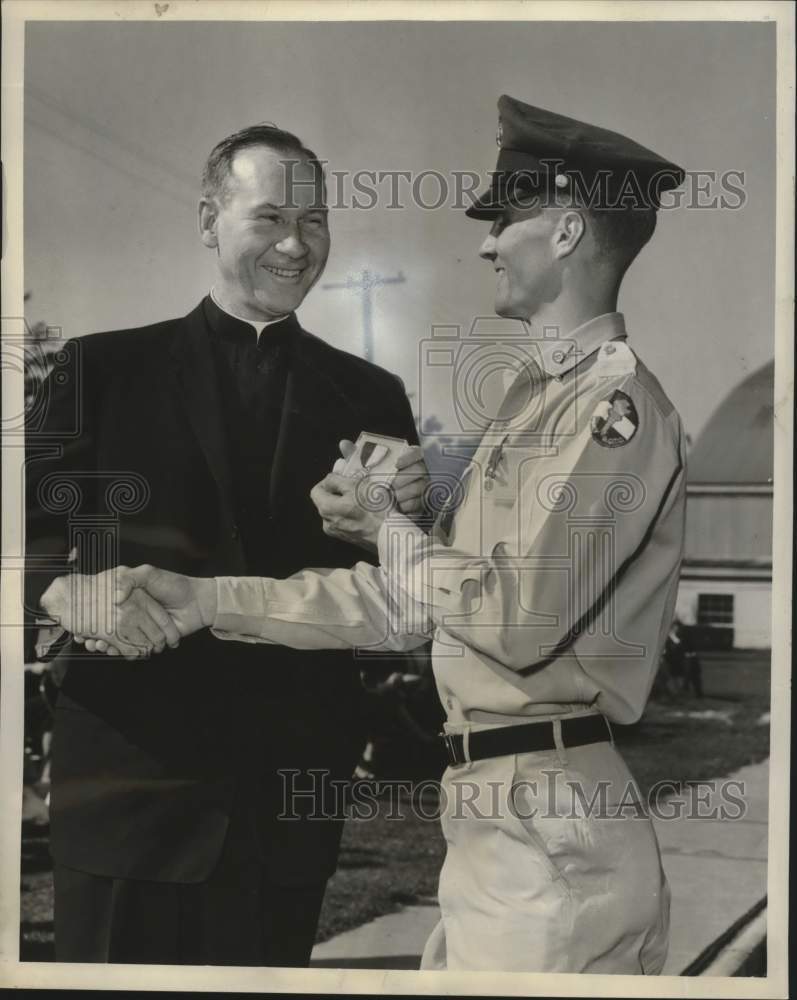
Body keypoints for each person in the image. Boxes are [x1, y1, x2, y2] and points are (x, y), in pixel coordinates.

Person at [71, 96, 688, 973]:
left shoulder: (612, 409)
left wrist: (388, 526)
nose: (483, 243)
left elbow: (518, 622)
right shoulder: (532, 406)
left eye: (504, 219)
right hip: (496, 818)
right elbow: (404, 607)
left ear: (562, 231)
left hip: (551, 819)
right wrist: (203, 599)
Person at [26, 123, 427, 966]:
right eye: (269, 217)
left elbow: (389, 593)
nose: (295, 244)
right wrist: (63, 590)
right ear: (210, 219)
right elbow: (23, 537)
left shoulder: (369, 394)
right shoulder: (100, 369)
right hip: (126, 800)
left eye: (314, 221)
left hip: (286, 807)